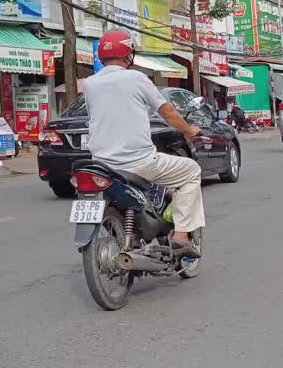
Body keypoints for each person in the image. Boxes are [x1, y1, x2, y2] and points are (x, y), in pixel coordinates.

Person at [81, 30, 203, 258]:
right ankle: (181, 236)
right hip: (138, 162)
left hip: (101, 165)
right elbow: (165, 110)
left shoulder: (89, 84)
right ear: (129, 55)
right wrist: (188, 130)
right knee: (191, 171)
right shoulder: (137, 78)